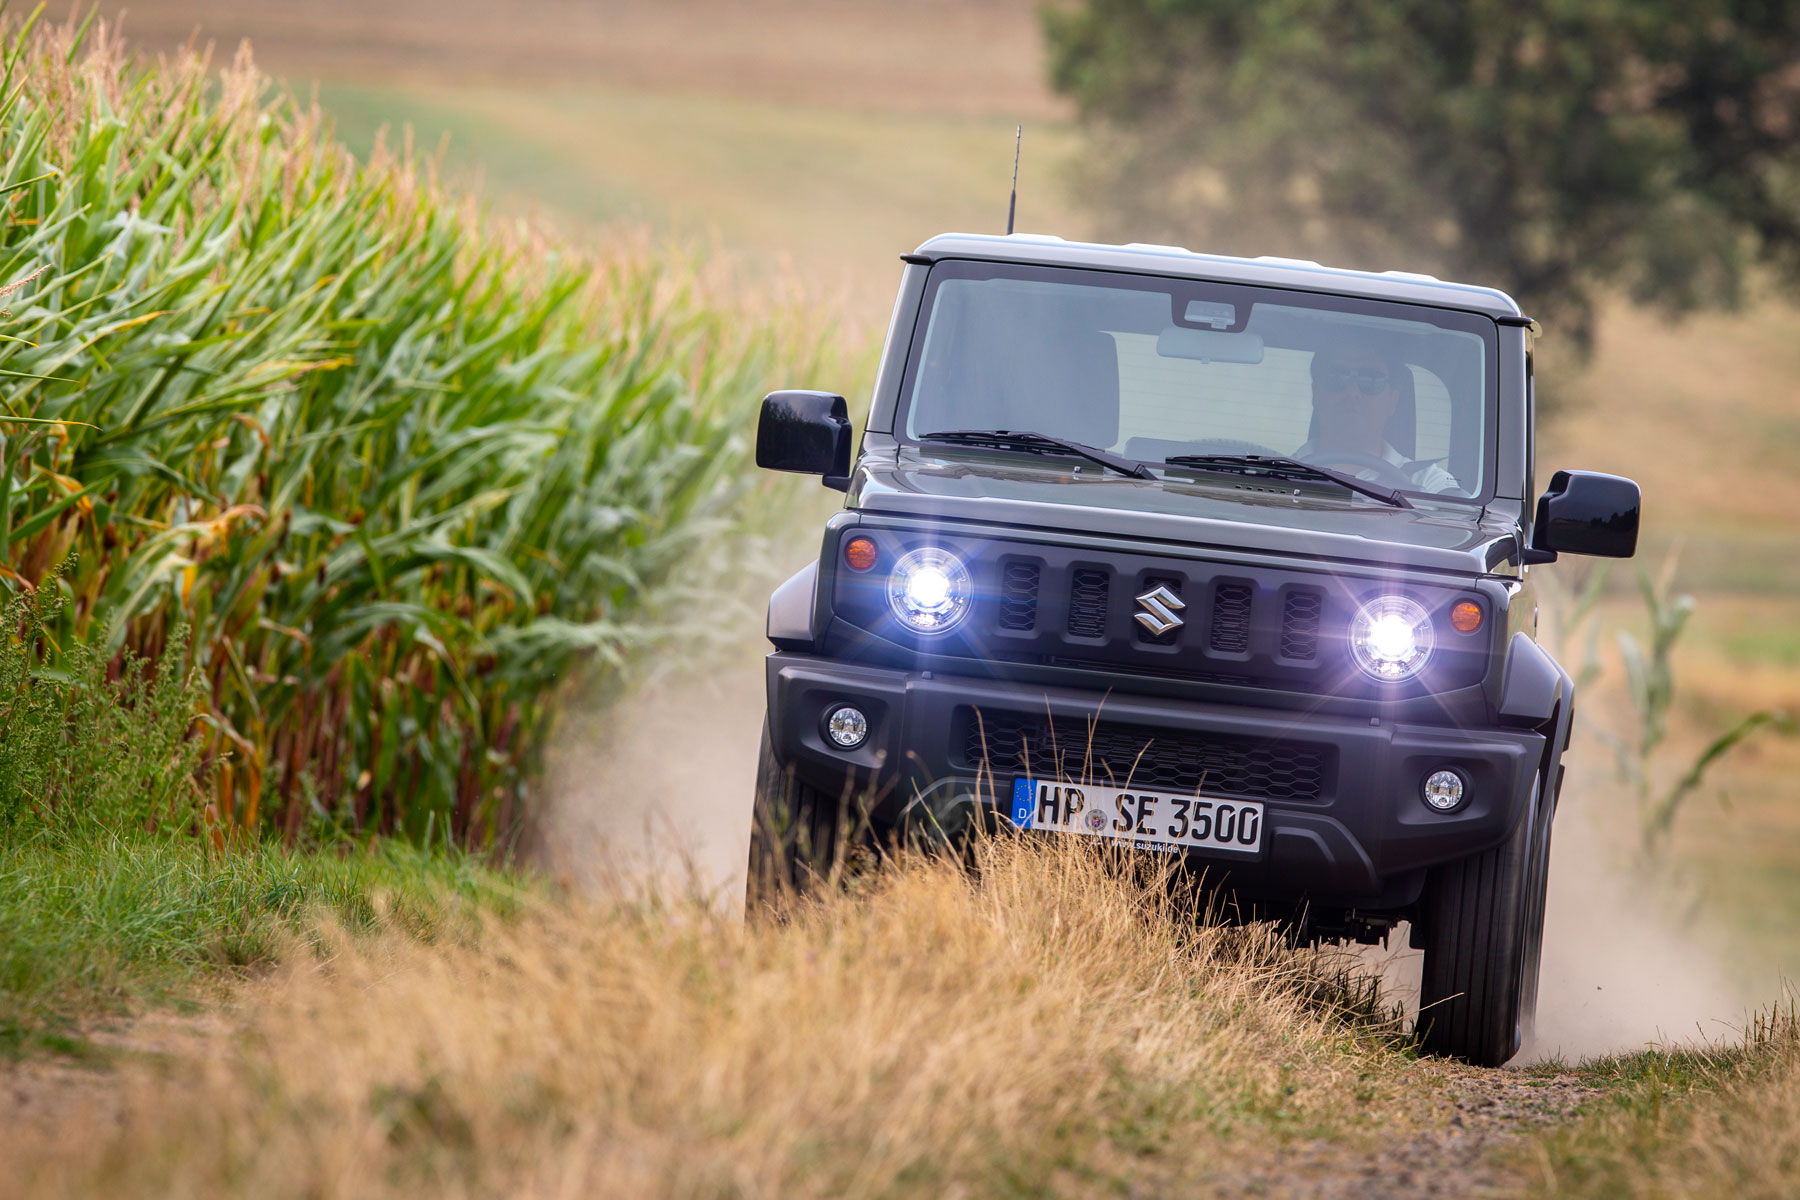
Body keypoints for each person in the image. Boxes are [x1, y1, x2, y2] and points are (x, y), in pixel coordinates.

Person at [1294, 342, 1461, 494]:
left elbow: (1461, 517)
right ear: (1316, 393)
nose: (1353, 393)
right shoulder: (1279, 472)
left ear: (1393, 401)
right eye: (1337, 377)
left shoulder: (1428, 483)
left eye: (1371, 380)